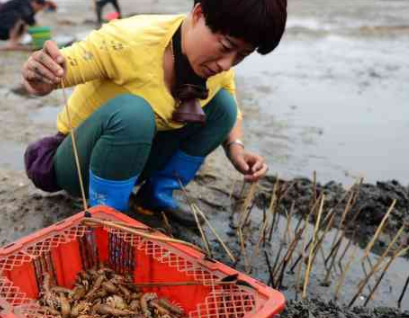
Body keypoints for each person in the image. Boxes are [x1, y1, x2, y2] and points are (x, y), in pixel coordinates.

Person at [22, 0, 286, 226]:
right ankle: (107, 218)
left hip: (139, 156)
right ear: (198, 14)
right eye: (226, 46)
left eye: (242, 54)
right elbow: (54, 74)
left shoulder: (216, 64)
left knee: (223, 106)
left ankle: (154, 199)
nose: (226, 64)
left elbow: (229, 103)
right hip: (81, 163)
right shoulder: (127, 41)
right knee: (134, 113)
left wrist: (235, 148)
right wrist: (38, 74)